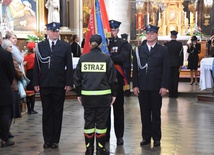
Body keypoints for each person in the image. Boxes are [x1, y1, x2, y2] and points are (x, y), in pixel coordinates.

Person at [73, 34, 118, 155]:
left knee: (88, 122)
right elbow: (113, 79)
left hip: (87, 97)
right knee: (101, 123)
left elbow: (77, 78)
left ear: (89, 44)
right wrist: (114, 94)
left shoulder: (83, 58)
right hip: (103, 97)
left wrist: (78, 93)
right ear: (100, 44)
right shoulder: (106, 59)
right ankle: (100, 148)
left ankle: (88, 148)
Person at [33, 22, 73, 148]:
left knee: (57, 112)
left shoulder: (65, 46)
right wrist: (35, 82)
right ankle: (47, 139)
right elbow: (36, 66)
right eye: (52, 31)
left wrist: (68, 83)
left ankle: (55, 140)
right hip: (45, 84)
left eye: (57, 31)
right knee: (47, 112)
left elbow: (69, 66)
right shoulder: (40, 46)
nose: (55, 33)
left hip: (59, 84)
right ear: (47, 32)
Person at [132, 24, 170, 147]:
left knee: (156, 113)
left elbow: (166, 69)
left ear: (156, 35)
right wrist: (135, 85)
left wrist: (164, 86)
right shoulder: (139, 50)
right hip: (142, 87)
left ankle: (157, 138)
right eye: (147, 33)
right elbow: (136, 70)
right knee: (144, 113)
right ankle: (146, 137)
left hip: (156, 87)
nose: (149, 35)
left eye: (152, 33)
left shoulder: (163, 50)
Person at [107, 19, 130, 145]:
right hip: (104, 82)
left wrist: (110, 57)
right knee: (105, 111)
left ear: (118, 31)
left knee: (118, 110)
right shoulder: (103, 43)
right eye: (110, 29)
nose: (112, 32)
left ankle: (119, 136)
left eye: (114, 30)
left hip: (118, 80)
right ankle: (105, 136)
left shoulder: (123, 44)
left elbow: (123, 57)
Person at [0, 40, 15, 147]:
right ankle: (4, 139)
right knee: (5, 113)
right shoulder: (6, 54)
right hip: (3, 88)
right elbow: (11, 73)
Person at [164, 30, 183, 98]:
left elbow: (165, 55)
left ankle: (170, 93)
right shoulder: (179, 44)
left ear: (170, 36)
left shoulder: (166, 44)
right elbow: (181, 55)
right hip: (177, 63)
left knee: (169, 78)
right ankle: (175, 93)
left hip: (168, 63)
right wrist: (181, 64)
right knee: (175, 78)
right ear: (176, 36)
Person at [24, 42, 38, 114]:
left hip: (27, 73)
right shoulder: (34, 56)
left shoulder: (25, 56)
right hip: (33, 74)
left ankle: (28, 109)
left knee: (28, 92)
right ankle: (32, 109)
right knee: (33, 92)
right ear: (33, 48)